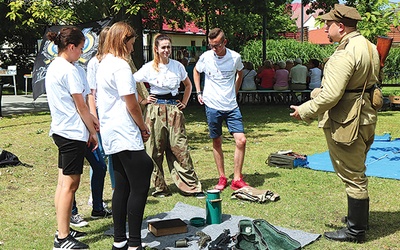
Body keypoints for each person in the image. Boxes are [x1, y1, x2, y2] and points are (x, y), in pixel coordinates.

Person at [290, 4, 380, 243]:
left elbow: (332, 95)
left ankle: (356, 231)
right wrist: (320, 92)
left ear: (341, 27)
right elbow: (360, 83)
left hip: (347, 121)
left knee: (353, 175)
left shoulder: (345, 53)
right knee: (357, 170)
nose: (326, 29)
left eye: (328, 25)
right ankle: (359, 222)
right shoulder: (369, 47)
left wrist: (304, 110)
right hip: (366, 117)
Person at [96, 21, 153, 250]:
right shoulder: (120, 66)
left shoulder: (104, 63)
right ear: (123, 41)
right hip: (124, 130)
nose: (132, 48)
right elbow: (132, 103)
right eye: (131, 43)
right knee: (140, 178)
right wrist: (142, 127)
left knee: (122, 186)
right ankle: (134, 244)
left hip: (111, 131)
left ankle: (119, 241)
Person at [46, 26, 98, 249]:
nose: (82, 53)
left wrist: (91, 124)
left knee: (62, 183)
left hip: (62, 130)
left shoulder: (59, 66)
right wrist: (93, 132)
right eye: (80, 48)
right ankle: (63, 238)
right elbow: (81, 107)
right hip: (71, 134)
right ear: (70, 47)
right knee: (70, 184)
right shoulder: (67, 70)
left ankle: (63, 227)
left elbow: (84, 103)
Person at [133, 33, 203, 198]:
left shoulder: (177, 66)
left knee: (180, 148)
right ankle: (160, 188)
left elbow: (188, 85)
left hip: (173, 110)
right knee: (154, 150)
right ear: (156, 49)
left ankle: (190, 187)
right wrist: (142, 100)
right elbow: (130, 83)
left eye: (168, 47)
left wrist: (184, 103)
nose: (166, 50)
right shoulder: (149, 67)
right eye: (163, 47)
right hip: (155, 110)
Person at [193, 28, 249, 191]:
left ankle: (237, 178)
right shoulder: (206, 57)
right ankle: (222, 177)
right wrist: (198, 91)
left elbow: (240, 73)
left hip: (231, 106)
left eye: (217, 45)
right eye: (211, 46)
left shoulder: (235, 57)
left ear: (225, 42)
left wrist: (235, 91)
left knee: (241, 140)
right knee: (217, 140)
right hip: (212, 105)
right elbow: (197, 71)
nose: (214, 49)